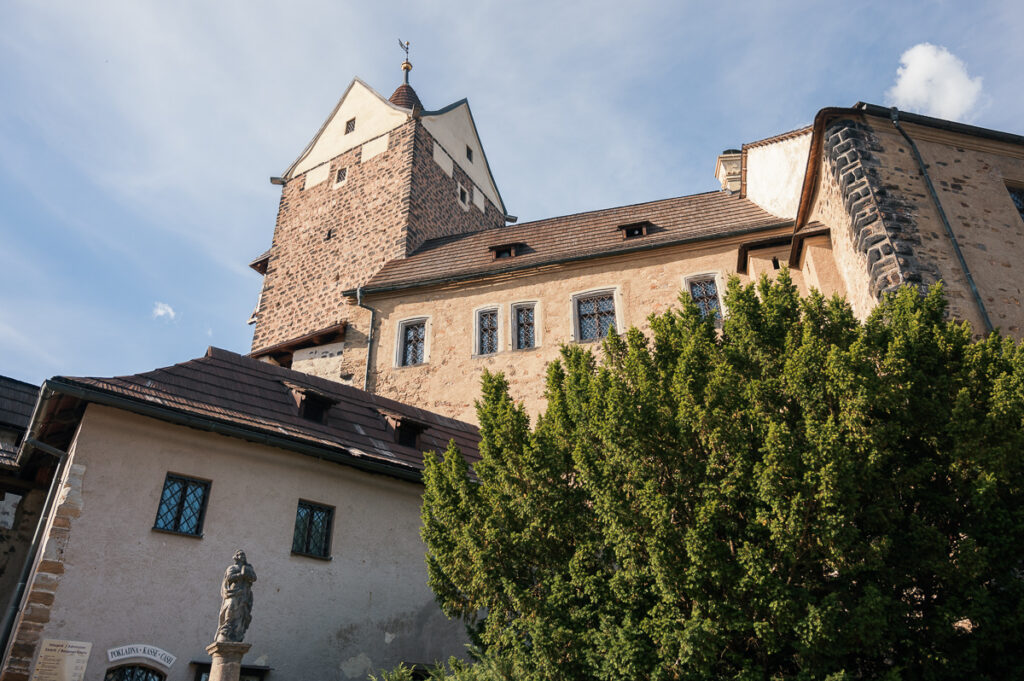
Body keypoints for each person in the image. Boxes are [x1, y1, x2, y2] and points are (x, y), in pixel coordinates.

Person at [216, 550, 256, 642]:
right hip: (234, 591)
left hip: (245, 593)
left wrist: (248, 574)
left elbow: (254, 578)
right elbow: (229, 578)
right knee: (231, 605)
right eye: (240, 554)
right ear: (236, 557)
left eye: (243, 554)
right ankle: (227, 626)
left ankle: (238, 631)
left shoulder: (248, 568)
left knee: (242, 612)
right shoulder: (232, 567)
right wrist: (240, 575)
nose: (242, 556)